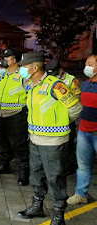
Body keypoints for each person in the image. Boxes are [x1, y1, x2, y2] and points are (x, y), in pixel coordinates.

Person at [16, 53, 82, 225]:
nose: (21, 69)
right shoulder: (30, 85)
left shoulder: (55, 85)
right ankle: (37, 205)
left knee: (54, 177)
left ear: (34, 67)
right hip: (35, 138)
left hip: (53, 141)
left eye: (24, 66)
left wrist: (61, 124)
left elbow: (75, 107)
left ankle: (58, 214)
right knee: (36, 174)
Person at [0, 49, 30, 186]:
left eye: (5, 58)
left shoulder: (23, 75)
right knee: (1, 140)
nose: (2, 60)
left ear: (14, 60)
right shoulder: (2, 76)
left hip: (17, 113)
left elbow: (30, 94)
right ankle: (4, 164)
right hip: (2, 113)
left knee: (19, 143)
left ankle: (24, 170)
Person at [67, 55, 97, 206]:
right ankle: (81, 194)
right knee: (83, 166)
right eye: (86, 63)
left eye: (90, 64)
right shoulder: (84, 85)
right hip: (84, 131)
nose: (87, 67)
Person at [46, 59, 82, 176]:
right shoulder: (49, 79)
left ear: (61, 71)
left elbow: (76, 100)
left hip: (67, 118)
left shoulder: (71, 80)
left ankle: (70, 167)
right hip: (52, 118)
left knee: (68, 144)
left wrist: (68, 118)